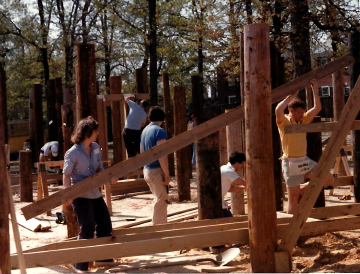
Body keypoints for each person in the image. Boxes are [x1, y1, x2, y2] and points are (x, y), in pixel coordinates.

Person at [63, 116, 117, 272]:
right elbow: (66, 175)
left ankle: (102, 258)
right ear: (88, 132)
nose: (98, 133)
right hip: (80, 195)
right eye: (95, 131)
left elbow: (100, 168)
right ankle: (79, 264)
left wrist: (109, 177)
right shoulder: (72, 153)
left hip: (94, 193)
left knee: (105, 223)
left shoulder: (95, 148)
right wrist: (67, 194)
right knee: (87, 226)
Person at [275, 80, 334, 214]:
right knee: (293, 199)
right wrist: (290, 96)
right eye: (299, 112)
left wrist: (315, 90)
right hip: (290, 162)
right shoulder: (284, 120)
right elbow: (278, 109)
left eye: (303, 112)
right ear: (291, 111)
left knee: (328, 178)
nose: (302, 115)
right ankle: (292, 230)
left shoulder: (304, 119)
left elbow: (317, 108)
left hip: (304, 160)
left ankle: (302, 188)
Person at [141, 106, 170, 225]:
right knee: (161, 200)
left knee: (157, 199)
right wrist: (167, 174)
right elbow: (161, 154)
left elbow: (142, 152)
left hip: (147, 170)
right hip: (156, 171)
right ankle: (158, 229)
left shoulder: (144, 131)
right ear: (162, 118)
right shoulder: (160, 131)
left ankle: (158, 227)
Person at [221, 152, 246, 217]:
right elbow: (242, 182)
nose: (242, 167)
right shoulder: (229, 171)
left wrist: (243, 188)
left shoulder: (224, 167)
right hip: (218, 204)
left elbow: (230, 188)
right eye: (242, 164)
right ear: (238, 162)